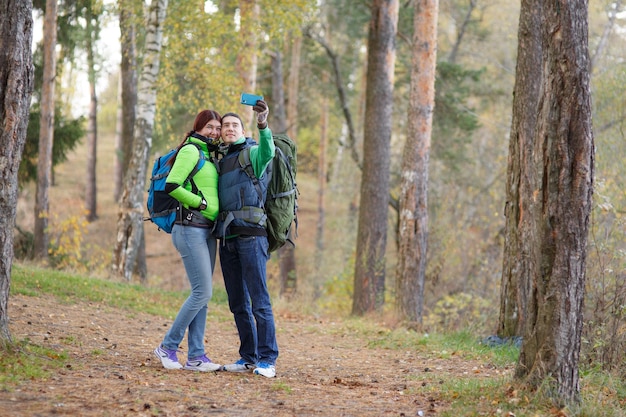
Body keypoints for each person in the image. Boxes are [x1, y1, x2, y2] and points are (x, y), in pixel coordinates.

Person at [153, 109, 223, 372]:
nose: (214, 132)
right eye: (210, 128)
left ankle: (196, 356)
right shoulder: (191, 151)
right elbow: (172, 184)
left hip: (207, 230)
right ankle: (167, 347)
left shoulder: (208, 154)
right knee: (202, 292)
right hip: (190, 228)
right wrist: (200, 202)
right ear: (199, 128)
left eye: (218, 128)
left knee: (202, 296)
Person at [216, 100, 278, 378]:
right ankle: (248, 357)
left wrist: (263, 123)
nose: (229, 128)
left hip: (252, 237)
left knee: (259, 301)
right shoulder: (220, 159)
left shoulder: (252, 152)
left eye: (234, 125)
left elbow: (269, 151)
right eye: (225, 125)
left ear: (242, 130)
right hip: (228, 238)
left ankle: (268, 360)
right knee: (238, 303)